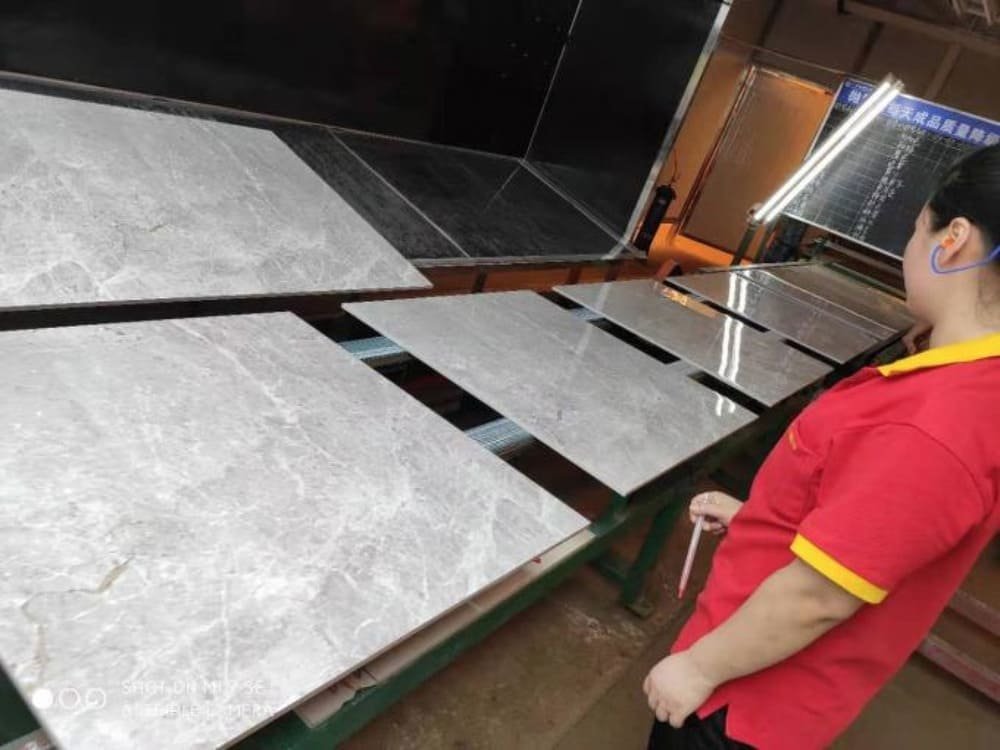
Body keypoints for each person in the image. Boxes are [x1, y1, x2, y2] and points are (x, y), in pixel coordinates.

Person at [643, 144, 1000, 749]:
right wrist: (760, 521)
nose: (908, 250)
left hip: (741, 705)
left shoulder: (937, 426)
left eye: (917, 230)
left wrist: (697, 669)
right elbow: (869, 526)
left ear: (954, 239)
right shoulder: (964, 382)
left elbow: (818, 597)